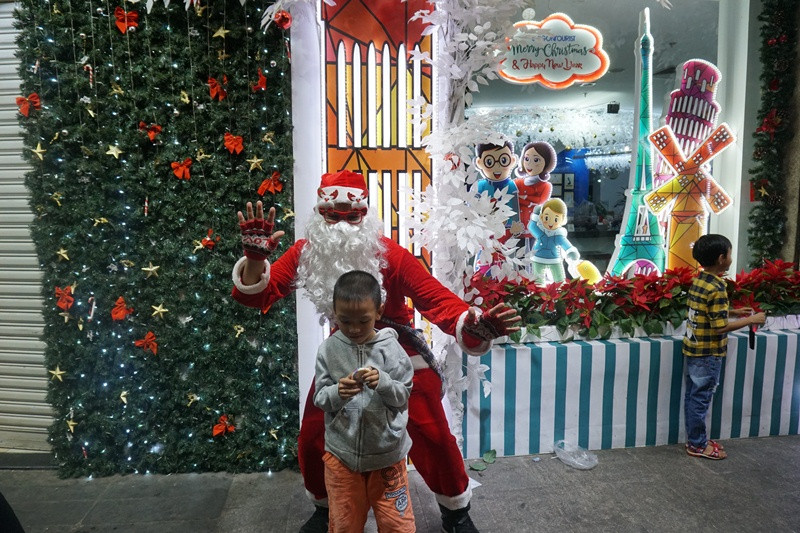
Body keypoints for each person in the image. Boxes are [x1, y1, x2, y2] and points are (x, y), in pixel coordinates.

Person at [233, 169, 521, 533]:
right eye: (332, 215)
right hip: (342, 352)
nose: (341, 224)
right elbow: (258, 294)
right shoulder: (307, 252)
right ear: (319, 213)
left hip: (398, 351)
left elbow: (434, 298)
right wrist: (255, 261)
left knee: (433, 434)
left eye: (351, 215)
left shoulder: (390, 254)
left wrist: (473, 323)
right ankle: (325, 507)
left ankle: (456, 511)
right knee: (313, 434)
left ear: (365, 214)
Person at [314, 270, 415, 532]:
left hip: (387, 456)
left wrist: (383, 382)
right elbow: (320, 398)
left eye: (363, 320)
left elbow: (403, 395)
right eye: (345, 320)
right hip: (342, 456)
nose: (354, 328)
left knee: (397, 526)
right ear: (334, 313)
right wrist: (338, 392)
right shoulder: (328, 350)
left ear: (379, 312)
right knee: (344, 526)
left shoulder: (391, 349)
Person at [683, 234, 765, 460]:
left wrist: (733, 312)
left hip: (693, 348)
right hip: (709, 353)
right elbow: (720, 327)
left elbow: (706, 311)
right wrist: (752, 320)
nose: (730, 257)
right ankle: (698, 445)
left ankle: (695, 439)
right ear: (721, 258)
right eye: (729, 253)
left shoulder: (700, 281)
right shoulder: (717, 287)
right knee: (701, 400)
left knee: (693, 398)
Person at [513, 140, 556, 248]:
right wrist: (529, 200)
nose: (529, 164)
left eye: (536, 160)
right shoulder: (517, 182)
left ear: (547, 163)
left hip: (535, 226)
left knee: (534, 252)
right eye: (526, 159)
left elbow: (540, 201)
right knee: (517, 253)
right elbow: (512, 199)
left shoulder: (546, 185)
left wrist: (523, 198)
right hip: (517, 226)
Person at [527, 198, 580, 284]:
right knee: (538, 281)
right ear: (541, 217)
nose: (551, 223)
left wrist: (570, 251)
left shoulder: (558, 236)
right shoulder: (541, 233)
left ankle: (561, 290)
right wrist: (535, 215)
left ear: (562, 220)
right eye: (547, 218)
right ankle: (539, 290)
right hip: (538, 258)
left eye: (556, 219)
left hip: (554, 259)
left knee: (559, 279)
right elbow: (532, 227)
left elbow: (565, 244)